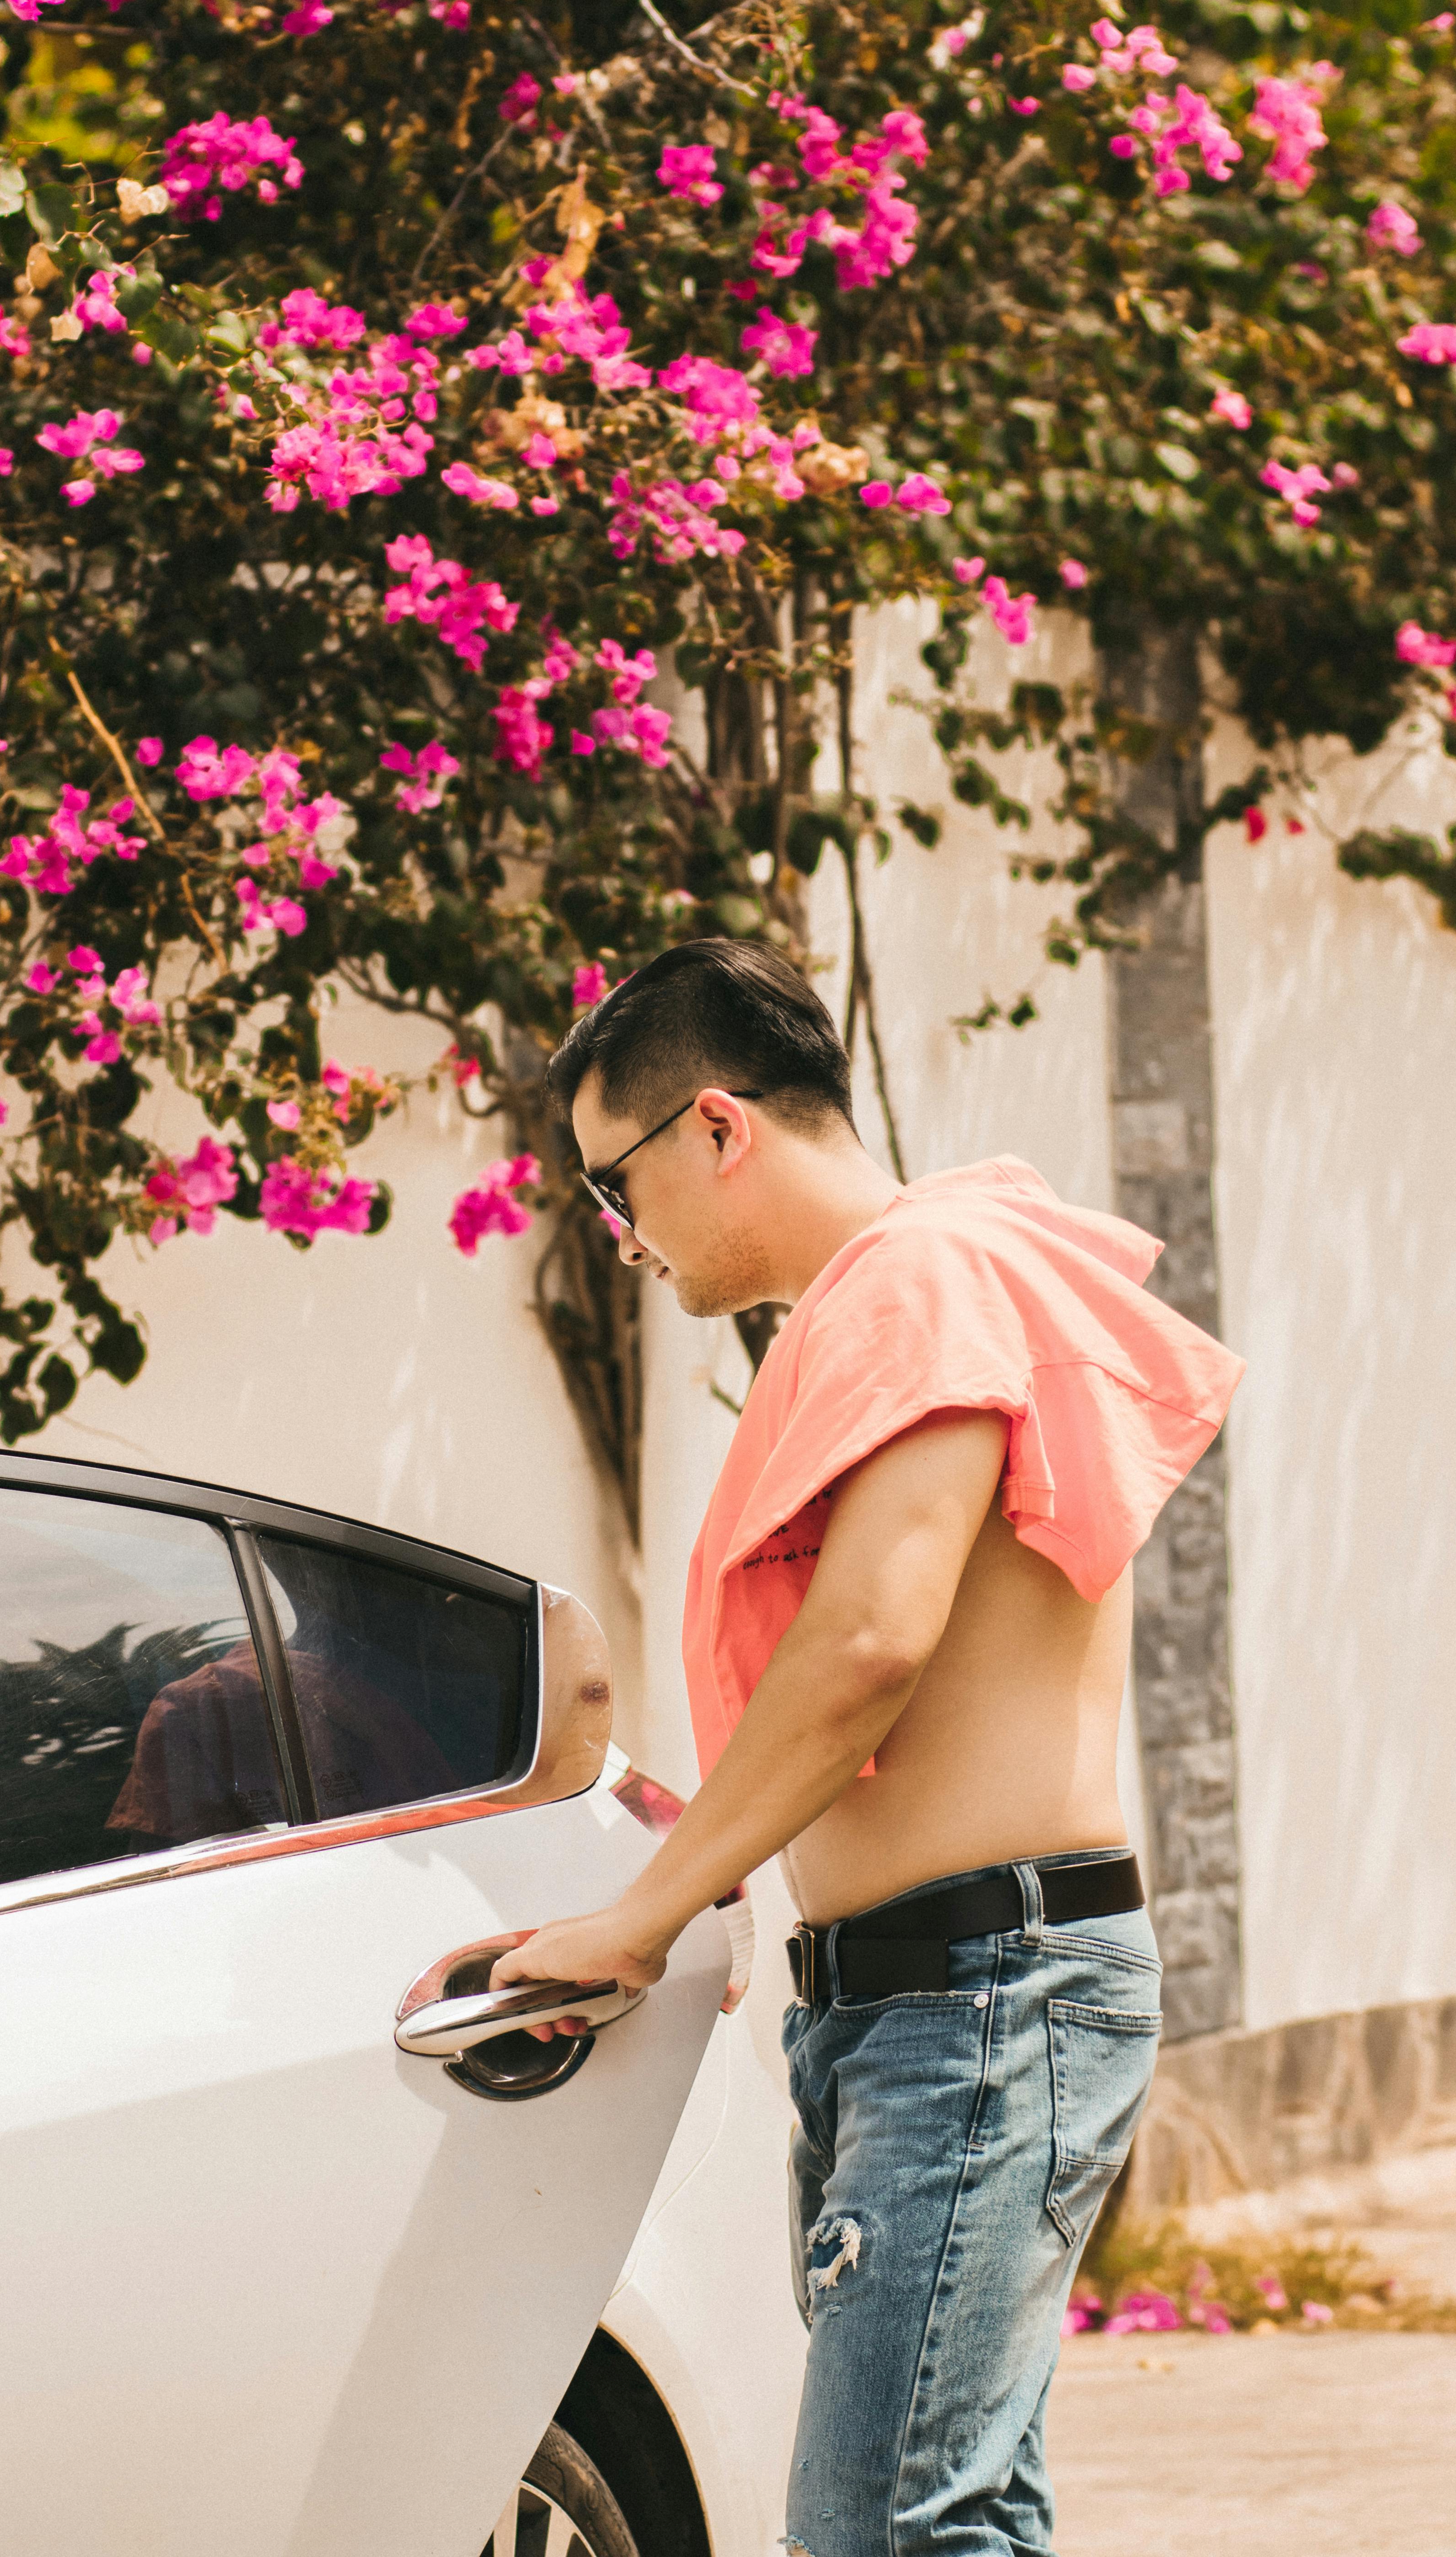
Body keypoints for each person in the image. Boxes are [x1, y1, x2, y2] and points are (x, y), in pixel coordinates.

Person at [491, 938, 1243, 2557]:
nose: (622, 1241)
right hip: (934, 2003)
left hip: (982, 1997)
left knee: (886, 2525)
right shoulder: (906, 1283)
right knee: (953, 2520)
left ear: (716, 1128)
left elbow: (869, 1644)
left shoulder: (918, 1276)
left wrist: (652, 1909)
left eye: (616, 1188)